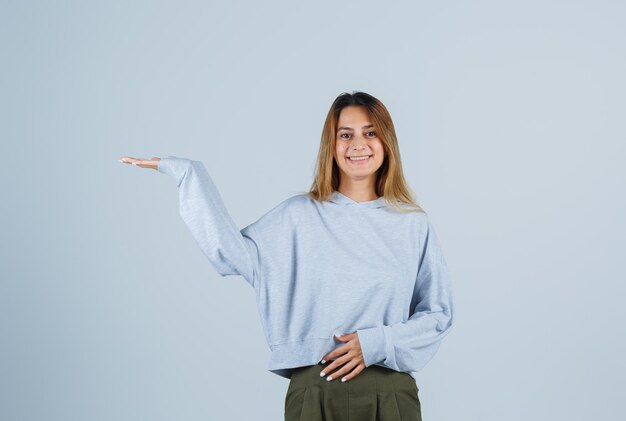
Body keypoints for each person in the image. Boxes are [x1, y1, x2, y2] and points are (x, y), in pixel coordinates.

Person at [118, 91, 455, 421]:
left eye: (370, 133)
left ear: (387, 143)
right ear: (331, 145)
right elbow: (231, 254)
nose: (358, 145)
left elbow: (438, 314)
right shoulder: (298, 215)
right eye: (345, 134)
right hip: (314, 391)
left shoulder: (412, 223)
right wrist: (189, 175)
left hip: (389, 394)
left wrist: (376, 343)